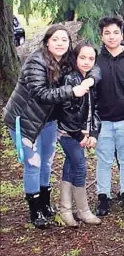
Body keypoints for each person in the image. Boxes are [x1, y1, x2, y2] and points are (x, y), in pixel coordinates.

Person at [3, 24, 95, 229]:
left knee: (46, 163)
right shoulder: (36, 62)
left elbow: (89, 65)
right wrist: (73, 91)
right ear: (47, 42)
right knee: (33, 164)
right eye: (55, 39)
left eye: (64, 39)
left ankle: (45, 204)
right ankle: (35, 209)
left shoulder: (65, 61)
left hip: (48, 121)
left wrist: (90, 78)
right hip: (25, 121)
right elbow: (41, 94)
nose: (60, 43)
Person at [94, 16, 124, 216]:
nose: (112, 37)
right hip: (103, 121)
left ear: (122, 35)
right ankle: (103, 196)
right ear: (101, 36)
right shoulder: (97, 59)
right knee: (104, 159)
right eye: (107, 33)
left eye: (116, 32)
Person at [57, 42, 103, 226]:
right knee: (81, 167)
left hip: (82, 131)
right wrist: (80, 135)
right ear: (75, 58)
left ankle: (66, 209)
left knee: (71, 165)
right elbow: (66, 112)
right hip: (68, 133)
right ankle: (83, 210)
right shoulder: (70, 79)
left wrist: (93, 132)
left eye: (91, 58)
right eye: (82, 57)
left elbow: (94, 109)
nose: (86, 62)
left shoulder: (90, 79)